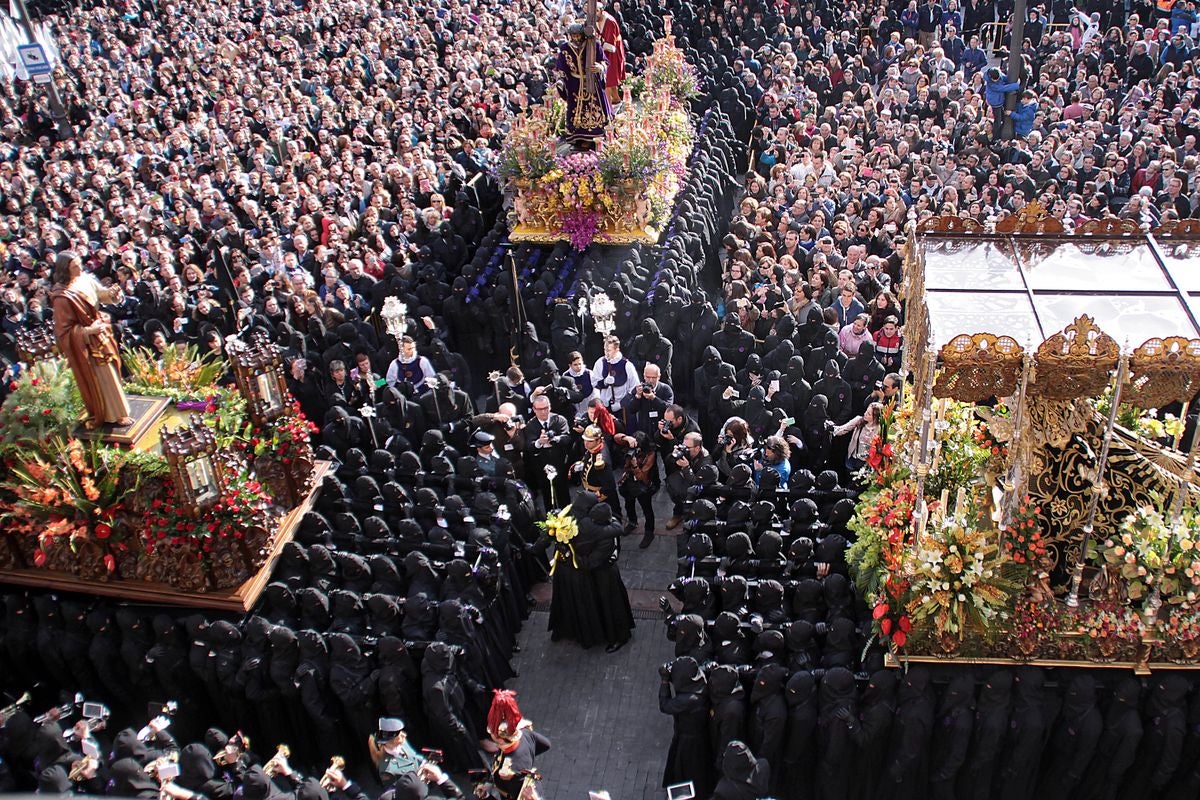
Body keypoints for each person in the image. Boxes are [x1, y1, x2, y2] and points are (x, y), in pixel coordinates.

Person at [51, 252, 133, 429]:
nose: (79, 268)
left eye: (80, 264)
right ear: (65, 270)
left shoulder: (85, 278)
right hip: (87, 340)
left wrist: (112, 294)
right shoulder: (62, 296)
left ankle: (120, 409)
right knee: (102, 377)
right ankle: (113, 413)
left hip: (100, 331)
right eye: (74, 267)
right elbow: (63, 331)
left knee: (112, 370)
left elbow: (100, 295)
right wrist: (88, 331)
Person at [556, 22, 611, 149]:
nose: (575, 38)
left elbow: (605, 61)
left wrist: (600, 67)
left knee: (596, 108)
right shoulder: (565, 48)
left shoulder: (593, 45)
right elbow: (561, 68)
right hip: (574, 84)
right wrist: (561, 81)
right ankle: (578, 139)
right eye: (573, 36)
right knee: (576, 112)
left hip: (592, 82)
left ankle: (599, 134)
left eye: (577, 36)